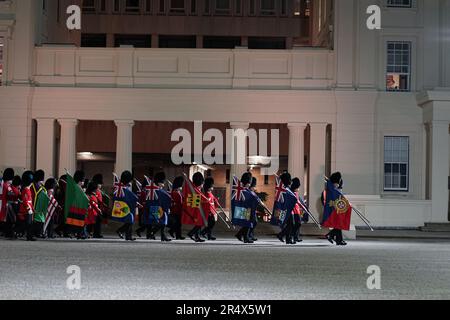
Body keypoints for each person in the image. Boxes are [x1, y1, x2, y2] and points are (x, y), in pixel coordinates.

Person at [143, 172, 172, 242]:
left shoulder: (150, 189)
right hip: (156, 209)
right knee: (163, 221)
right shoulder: (157, 190)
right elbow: (165, 197)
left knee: (155, 222)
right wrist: (166, 208)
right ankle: (155, 234)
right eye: (162, 182)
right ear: (159, 183)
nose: (163, 184)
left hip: (150, 208)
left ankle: (157, 235)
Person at [232, 172, 259, 244]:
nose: (249, 184)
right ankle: (245, 237)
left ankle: (241, 235)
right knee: (247, 223)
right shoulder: (243, 189)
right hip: (244, 208)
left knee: (248, 223)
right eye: (248, 182)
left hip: (247, 208)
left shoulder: (246, 189)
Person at [323, 172, 347, 246]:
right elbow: (335, 197)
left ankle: (338, 239)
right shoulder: (331, 187)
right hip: (333, 207)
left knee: (338, 224)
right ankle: (331, 235)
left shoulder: (332, 186)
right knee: (338, 223)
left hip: (335, 207)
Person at [113, 170, 138, 241]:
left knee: (129, 220)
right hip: (125, 206)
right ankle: (120, 230)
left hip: (123, 206)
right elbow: (133, 197)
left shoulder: (120, 188)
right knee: (130, 220)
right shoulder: (124, 189)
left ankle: (128, 236)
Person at [182, 172, 207, 243]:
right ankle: (191, 233)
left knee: (199, 223)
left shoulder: (197, 190)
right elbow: (196, 202)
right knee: (200, 223)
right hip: (197, 210)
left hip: (198, 209)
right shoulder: (195, 191)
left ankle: (197, 236)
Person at [17, 171, 36, 241]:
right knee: (28, 224)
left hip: (29, 209)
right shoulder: (26, 190)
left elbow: (29, 201)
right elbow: (25, 201)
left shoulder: (27, 189)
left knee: (29, 224)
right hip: (26, 210)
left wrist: (32, 208)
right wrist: (29, 209)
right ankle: (28, 236)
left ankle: (29, 236)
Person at [0, 168, 15, 237]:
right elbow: (11, 196)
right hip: (7, 205)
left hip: (2, 205)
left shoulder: (2, 185)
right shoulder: (8, 186)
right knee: (10, 220)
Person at [92, 174, 106, 239]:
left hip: (99, 207)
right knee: (97, 221)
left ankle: (97, 233)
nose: (100, 185)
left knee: (98, 221)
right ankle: (96, 233)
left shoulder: (98, 190)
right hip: (96, 207)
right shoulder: (95, 190)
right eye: (100, 184)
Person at [247, 177, 259, 242]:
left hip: (253, 210)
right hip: (249, 210)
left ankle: (250, 235)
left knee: (254, 222)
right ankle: (247, 236)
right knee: (250, 223)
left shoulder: (252, 192)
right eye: (254, 186)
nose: (254, 188)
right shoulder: (249, 192)